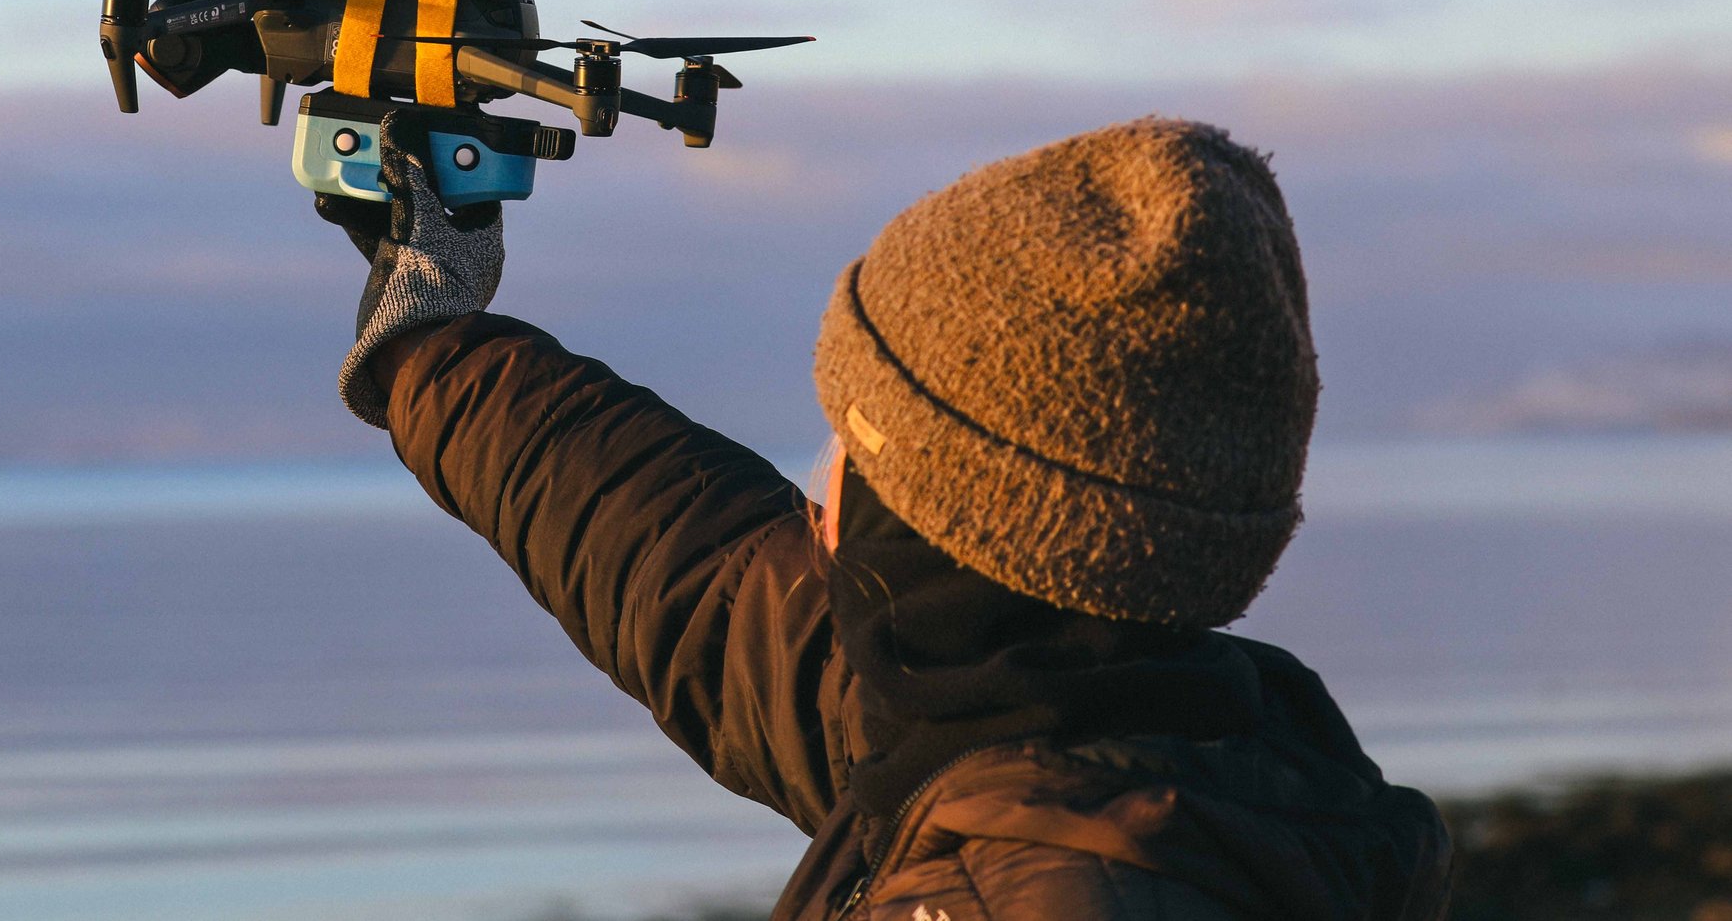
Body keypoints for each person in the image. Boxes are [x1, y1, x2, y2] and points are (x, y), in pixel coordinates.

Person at [316, 113, 1452, 921]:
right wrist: (430, 332)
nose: (819, 478)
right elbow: (689, 575)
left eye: (848, 432)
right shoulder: (1135, 764)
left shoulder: (1017, 879)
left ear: (940, 511)